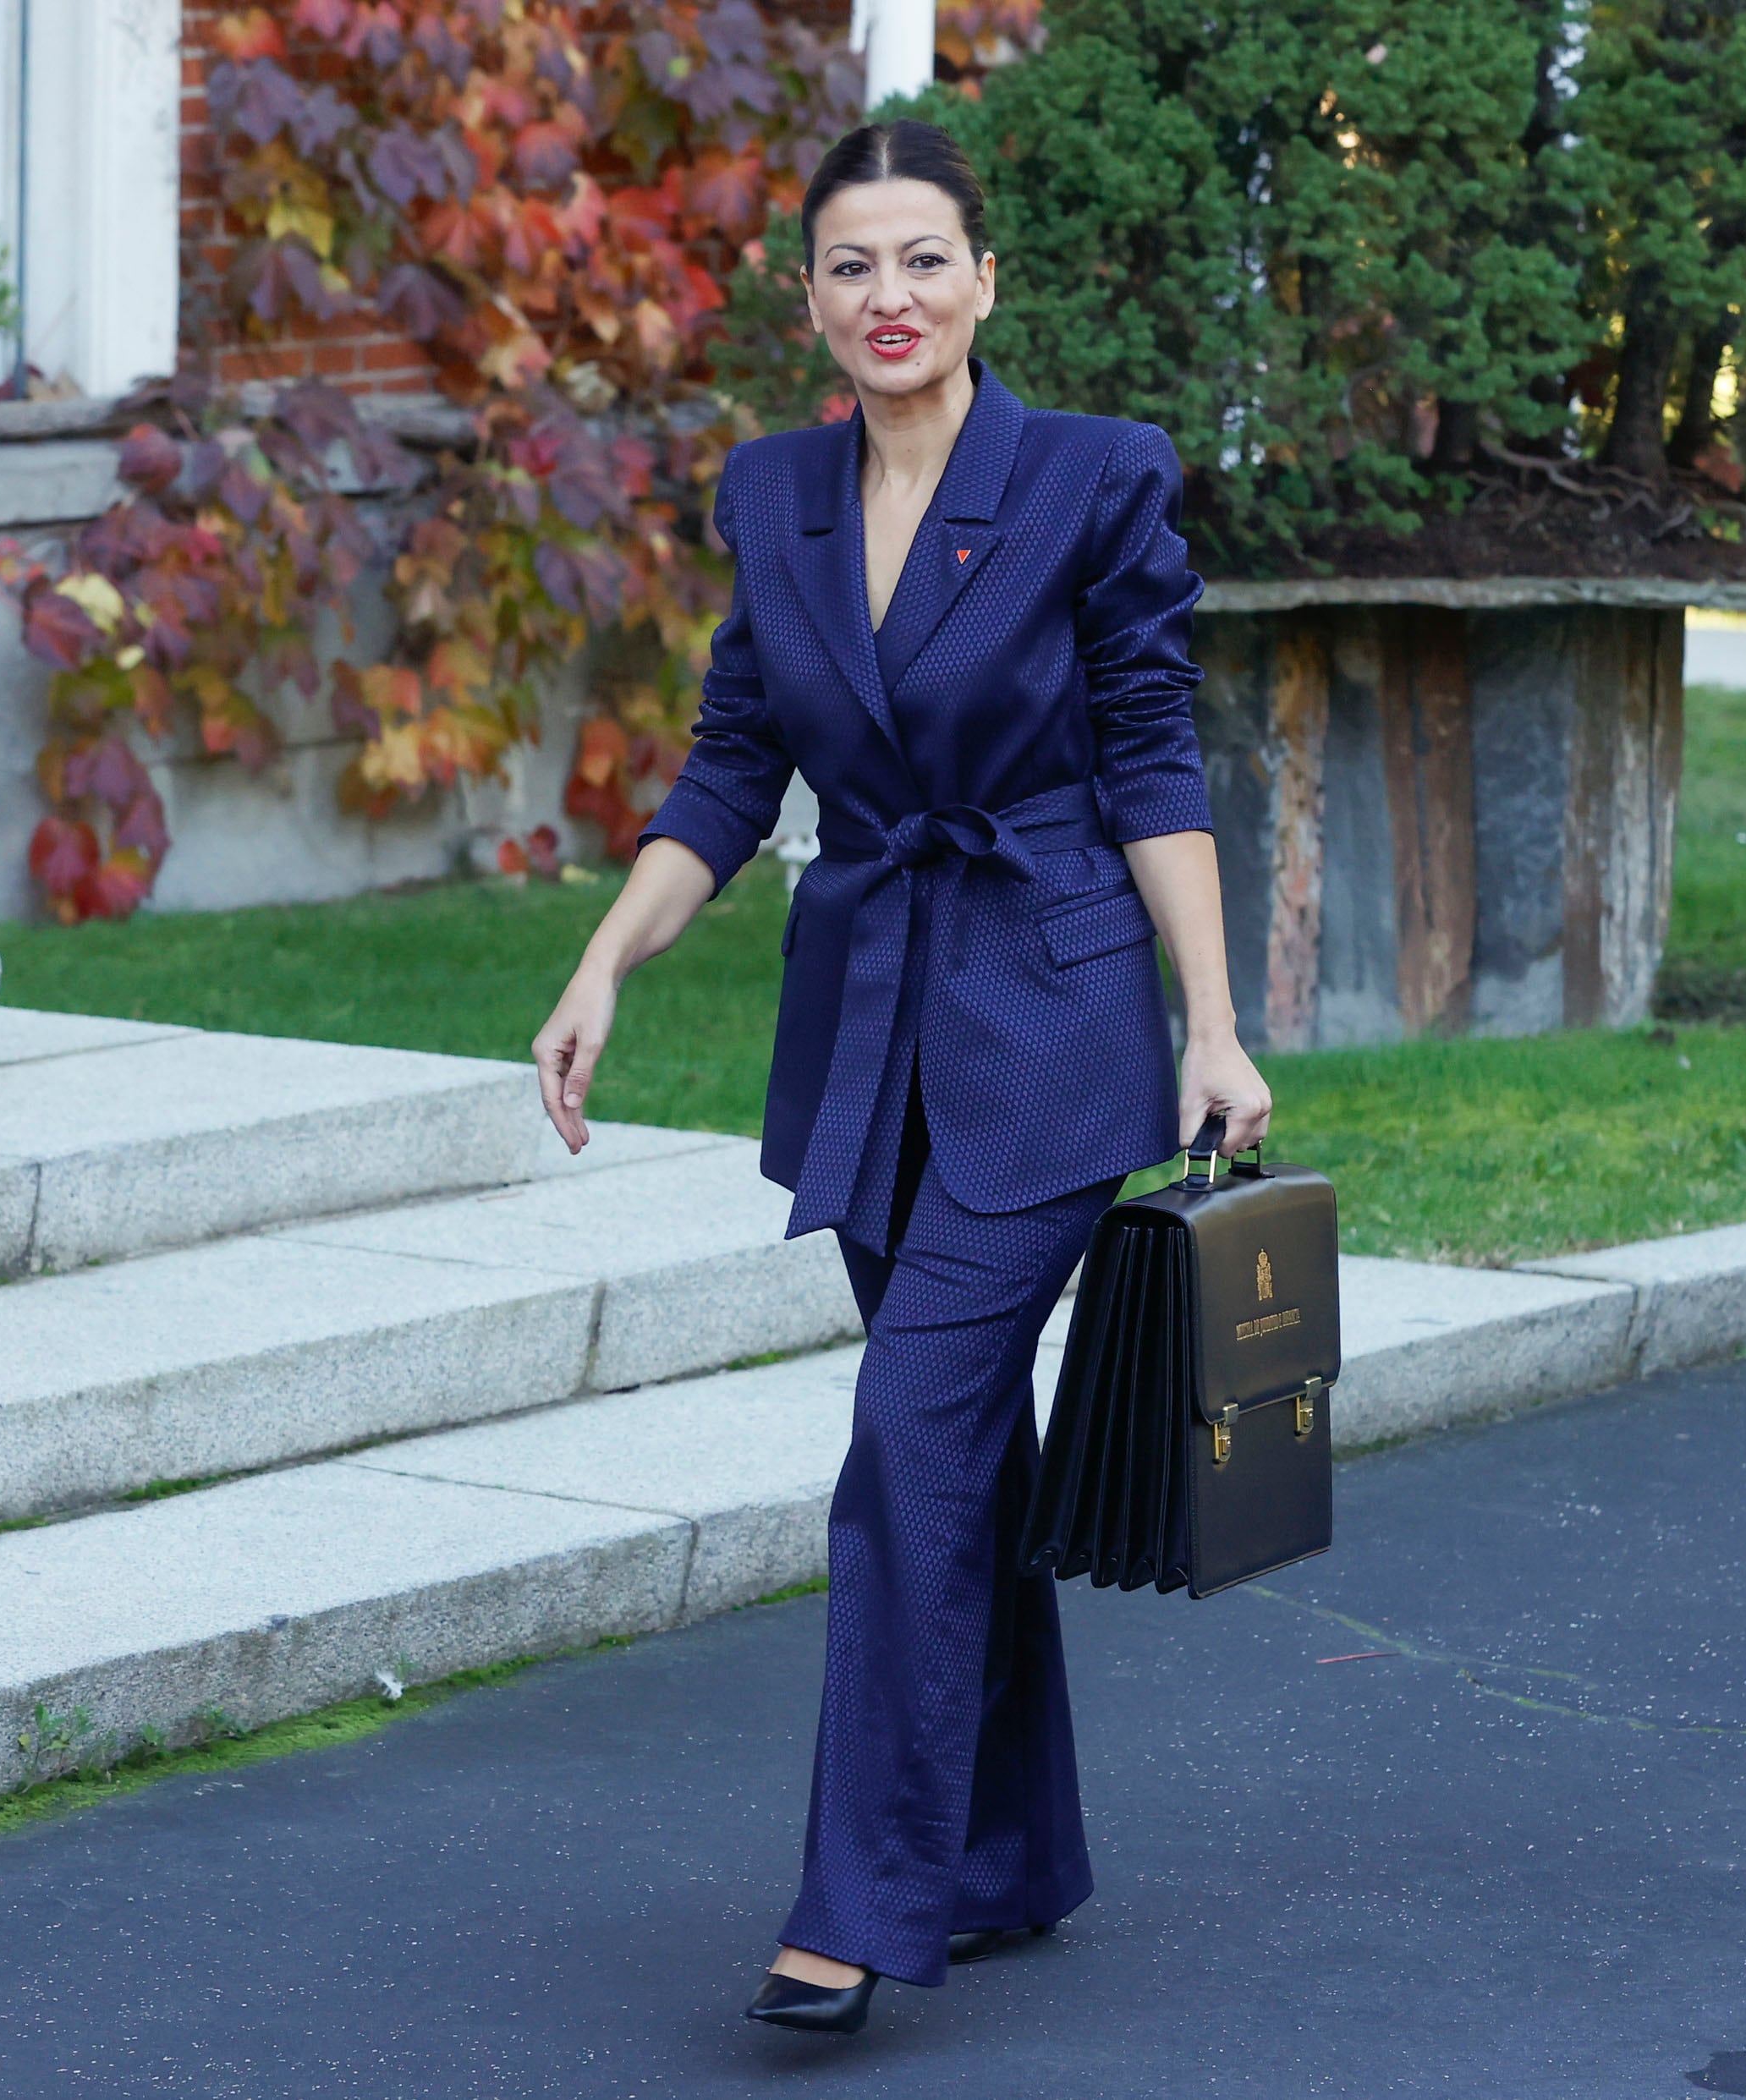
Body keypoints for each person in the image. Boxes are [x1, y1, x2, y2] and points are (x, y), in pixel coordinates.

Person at [528, 118, 1273, 2037]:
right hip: (868, 1035)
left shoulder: (1092, 482)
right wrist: (607, 958)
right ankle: (1012, 1851)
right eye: (853, 267)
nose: (891, 299)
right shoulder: (772, 499)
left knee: (909, 1441)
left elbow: (1148, 762)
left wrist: (1211, 1018)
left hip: (1053, 1018)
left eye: (924, 260)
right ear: (807, 298)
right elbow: (726, 772)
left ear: (985, 279)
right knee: (970, 1454)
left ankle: (859, 1906)